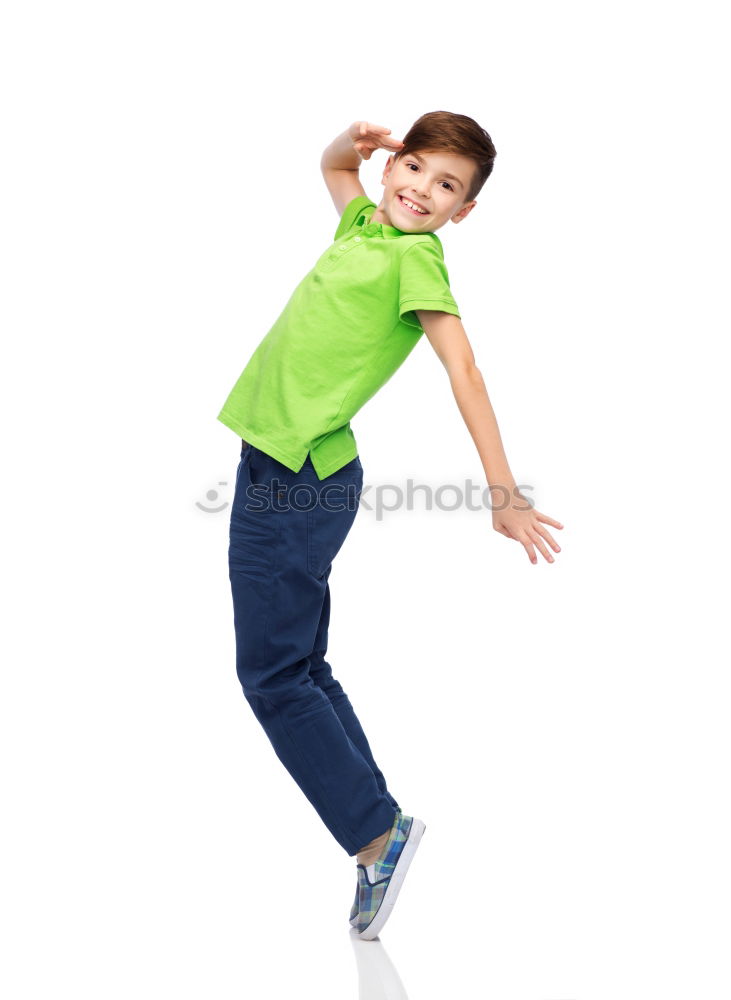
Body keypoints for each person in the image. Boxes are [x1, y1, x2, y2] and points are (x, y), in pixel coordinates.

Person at [217, 112, 564, 940]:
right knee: (301, 667)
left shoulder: (415, 259)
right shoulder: (363, 222)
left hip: (296, 482)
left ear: (461, 213)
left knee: (272, 679)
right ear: (392, 169)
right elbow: (334, 168)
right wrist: (356, 143)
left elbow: (463, 369)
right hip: (279, 466)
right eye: (414, 168)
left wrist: (502, 491)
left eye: (446, 187)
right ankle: (380, 830)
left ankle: (377, 835)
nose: (421, 190)